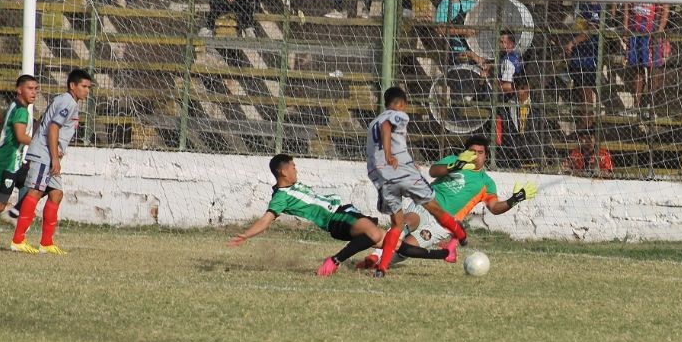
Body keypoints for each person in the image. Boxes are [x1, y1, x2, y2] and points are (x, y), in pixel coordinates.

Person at [227, 154, 456, 277]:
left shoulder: (291, 186)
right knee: (374, 231)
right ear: (283, 171)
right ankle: (334, 261)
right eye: (293, 167)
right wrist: (247, 235)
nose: (296, 170)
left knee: (392, 243)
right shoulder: (280, 196)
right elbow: (267, 218)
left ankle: (444, 254)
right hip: (335, 219)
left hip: (344, 211)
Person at [357, 135, 537, 269]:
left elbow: (495, 208)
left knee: (407, 248)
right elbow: (434, 171)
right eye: (472, 152)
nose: (475, 156)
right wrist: (454, 166)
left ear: (486, 155)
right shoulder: (453, 160)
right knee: (407, 221)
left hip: (443, 224)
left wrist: (515, 199)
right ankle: (375, 256)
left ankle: (379, 262)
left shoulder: (486, 183)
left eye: (480, 153)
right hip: (427, 205)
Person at [366, 87, 468, 277]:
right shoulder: (398, 115)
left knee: (397, 224)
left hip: (385, 179)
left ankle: (382, 268)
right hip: (403, 174)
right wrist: (390, 154)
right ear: (401, 103)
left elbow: (373, 156)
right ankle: (459, 233)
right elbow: (387, 126)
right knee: (433, 207)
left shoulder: (372, 123)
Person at [11, 69, 92, 254]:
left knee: (56, 194)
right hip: (45, 155)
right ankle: (17, 240)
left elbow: (45, 123)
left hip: (48, 154)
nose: (87, 90)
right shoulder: (67, 102)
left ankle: (46, 243)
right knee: (35, 191)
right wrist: (54, 157)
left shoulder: (67, 101)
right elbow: (53, 128)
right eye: (84, 86)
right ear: (73, 85)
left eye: (89, 87)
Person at [622, 0, 671, 118]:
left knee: (654, 68)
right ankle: (636, 106)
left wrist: (660, 29)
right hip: (636, 29)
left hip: (652, 29)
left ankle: (652, 105)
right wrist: (626, 26)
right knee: (636, 67)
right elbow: (627, 3)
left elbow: (666, 7)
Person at [0, 75, 37, 221]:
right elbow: (21, 136)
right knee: (1, 204)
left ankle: (15, 212)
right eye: (30, 88)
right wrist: (41, 144)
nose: (33, 92)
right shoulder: (21, 111)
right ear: (19, 90)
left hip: (13, 160)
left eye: (35, 89)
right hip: (8, 163)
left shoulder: (14, 105)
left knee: (37, 184)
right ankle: (14, 213)